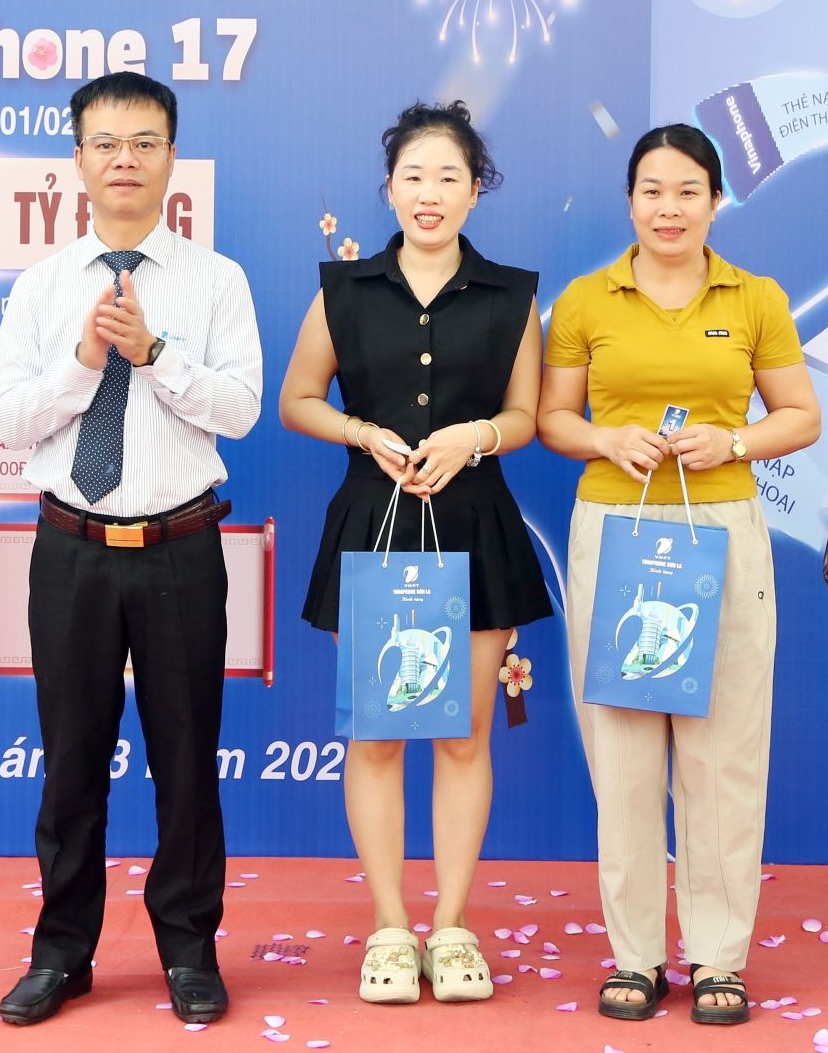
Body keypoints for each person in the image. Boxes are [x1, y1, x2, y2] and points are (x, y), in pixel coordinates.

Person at [0, 70, 262, 1027]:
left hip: (180, 547)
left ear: (172, 157)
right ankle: (62, 952)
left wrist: (154, 354)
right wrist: (82, 363)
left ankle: (189, 948)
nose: (125, 160)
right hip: (71, 550)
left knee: (186, 759)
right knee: (71, 760)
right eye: (105, 143)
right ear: (77, 160)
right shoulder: (40, 286)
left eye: (145, 142)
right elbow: (10, 420)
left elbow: (241, 408)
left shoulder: (217, 280)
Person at [537, 123, 820, 1025]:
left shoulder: (756, 296)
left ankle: (719, 959)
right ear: (630, 202)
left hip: (723, 533)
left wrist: (732, 441)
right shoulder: (586, 300)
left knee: (722, 753)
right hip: (615, 529)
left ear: (715, 201)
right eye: (653, 191)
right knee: (622, 758)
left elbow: (801, 414)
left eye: (688, 191)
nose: (670, 208)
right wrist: (604, 438)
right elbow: (551, 418)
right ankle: (635, 957)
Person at [279, 101, 552, 1005]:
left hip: (477, 527)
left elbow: (525, 416)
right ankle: (392, 926)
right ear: (390, 188)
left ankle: (454, 925)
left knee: (466, 737)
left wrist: (476, 435)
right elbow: (298, 399)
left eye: (449, 177)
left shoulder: (512, 295)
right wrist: (363, 432)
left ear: (476, 192)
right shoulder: (345, 290)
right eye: (413, 176)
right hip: (375, 526)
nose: (429, 193)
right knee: (379, 734)